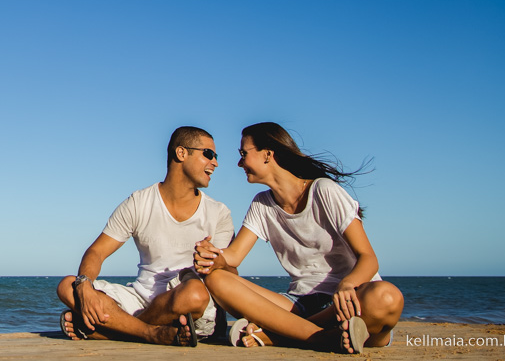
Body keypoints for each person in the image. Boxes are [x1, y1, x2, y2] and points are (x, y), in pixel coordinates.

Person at [194, 122, 403, 354]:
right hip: (299, 303)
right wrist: (212, 256)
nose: (239, 163)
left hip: (348, 299)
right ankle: (319, 337)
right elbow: (232, 257)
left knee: (387, 297)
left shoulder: (324, 190)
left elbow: (368, 258)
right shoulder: (262, 204)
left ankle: (280, 334)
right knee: (217, 279)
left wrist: (347, 285)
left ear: (267, 154)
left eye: (243, 154)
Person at [57, 126, 234, 347]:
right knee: (68, 285)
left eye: (215, 156)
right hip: (141, 299)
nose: (215, 162)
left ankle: (116, 330)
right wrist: (84, 286)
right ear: (181, 153)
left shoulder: (219, 213)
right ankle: (150, 333)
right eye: (208, 154)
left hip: (187, 303)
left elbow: (231, 275)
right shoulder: (139, 202)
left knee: (194, 294)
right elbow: (97, 251)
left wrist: (217, 263)